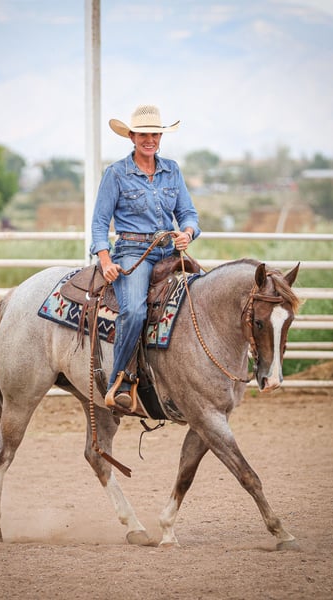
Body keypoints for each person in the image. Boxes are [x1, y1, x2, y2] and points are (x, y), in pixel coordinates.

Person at [90, 104, 200, 410]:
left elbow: (188, 213)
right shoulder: (116, 174)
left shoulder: (172, 170)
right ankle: (121, 380)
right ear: (132, 137)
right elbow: (99, 223)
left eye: (155, 134)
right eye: (143, 135)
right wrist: (105, 261)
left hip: (169, 250)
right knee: (135, 311)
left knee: (204, 298)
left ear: (160, 137)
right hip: (133, 252)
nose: (149, 140)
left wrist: (187, 232)